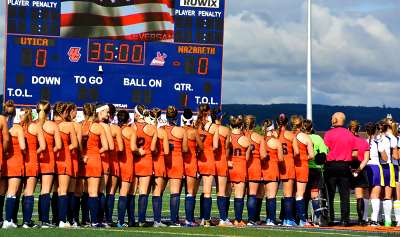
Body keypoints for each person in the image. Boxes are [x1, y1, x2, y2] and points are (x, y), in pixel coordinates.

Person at [324, 112, 357, 226]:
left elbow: (325, 150)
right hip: (344, 165)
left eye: (332, 118)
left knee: (330, 194)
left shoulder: (328, 134)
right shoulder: (349, 134)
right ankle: (345, 220)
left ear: (335, 120)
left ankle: (329, 218)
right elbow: (355, 153)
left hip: (331, 165)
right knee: (344, 195)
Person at [81, 103, 109, 228]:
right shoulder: (98, 127)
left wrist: (82, 155)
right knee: (94, 192)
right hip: (94, 160)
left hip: (82, 160)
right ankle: (94, 221)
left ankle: (83, 219)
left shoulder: (80, 125)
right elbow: (106, 146)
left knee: (83, 192)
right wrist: (96, 152)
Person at [53, 102, 78, 228]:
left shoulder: (48, 124)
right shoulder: (68, 125)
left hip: (52, 159)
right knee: (63, 191)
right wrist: (64, 149)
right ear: (64, 113)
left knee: (53, 190)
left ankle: (53, 219)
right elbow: (75, 144)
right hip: (64, 159)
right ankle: (63, 220)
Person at [132, 105, 157, 227]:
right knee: (143, 192)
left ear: (137, 114)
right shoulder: (152, 128)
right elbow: (153, 148)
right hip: (146, 160)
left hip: (134, 161)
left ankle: (131, 219)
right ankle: (141, 219)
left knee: (131, 192)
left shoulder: (131, 127)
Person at [21, 108, 46, 228]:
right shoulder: (35, 127)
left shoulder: (19, 127)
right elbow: (43, 146)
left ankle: (12, 220)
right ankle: (27, 221)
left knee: (17, 191)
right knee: (29, 191)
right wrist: (34, 153)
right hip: (32, 161)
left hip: (21, 160)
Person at [2, 109, 26, 229]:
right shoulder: (17, 128)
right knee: (12, 192)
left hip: (3, 160)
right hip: (15, 161)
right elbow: (22, 146)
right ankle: (8, 220)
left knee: (1, 192)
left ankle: (2, 220)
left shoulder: (2, 125)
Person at [164, 105, 187, 227]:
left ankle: (157, 219)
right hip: (177, 161)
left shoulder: (161, 129)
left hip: (163, 161)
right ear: (176, 117)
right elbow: (185, 149)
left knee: (158, 192)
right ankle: (174, 220)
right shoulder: (182, 131)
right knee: (175, 192)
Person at [227, 115, 251, 227]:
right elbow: (247, 158)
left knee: (226, 194)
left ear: (230, 125)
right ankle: (238, 220)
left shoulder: (228, 137)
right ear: (241, 125)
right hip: (240, 167)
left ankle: (225, 218)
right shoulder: (245, 139)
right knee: (239, 195)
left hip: (228, 166)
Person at [303, 119, 328, 225]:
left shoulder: (300, 137)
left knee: (302, 195)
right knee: (314, 195)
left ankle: (303, 218)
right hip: (316, 170)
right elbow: (324, 153)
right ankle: (317, 218)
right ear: (311, 127)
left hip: (303, 168)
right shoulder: (317, 138)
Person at [196, 104, 218, 227]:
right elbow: (215, 146)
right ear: (209, 111)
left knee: (192, 192)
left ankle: (192, 219)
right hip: (208, 157)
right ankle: (206, 220)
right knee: (207, 192)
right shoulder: (213, 126)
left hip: (197, 158)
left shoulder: (196, 125)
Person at [364, 122, 388, 226]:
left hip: (365, 168)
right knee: (375, 195)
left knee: (365, 195)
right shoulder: (379, 143)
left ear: (366, 131)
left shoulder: (363, 142)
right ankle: (374, 220)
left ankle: (364, 219)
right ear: (376, 131)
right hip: (375, 168)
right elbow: (385, 158)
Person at [243, 115, 266, 226]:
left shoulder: (240, 135)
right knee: (253, 194)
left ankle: (238, 218)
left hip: (241, 165)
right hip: (255, 165)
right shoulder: (258, 137)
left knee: (239, 194)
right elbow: (263, 155)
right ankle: (252, 219)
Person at [181, 108, 202, 227]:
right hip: (191, 162)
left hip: (180, 162)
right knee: (190, 192)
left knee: (176, 192)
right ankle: (189, 219)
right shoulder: (193, 132)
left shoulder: (179, 130)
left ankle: (176, 218)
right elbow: (202, 147)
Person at [348, 120, 370, 226]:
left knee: (344, 195)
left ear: (349, 128)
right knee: (359, 196)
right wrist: (358, 170)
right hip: (360, 169)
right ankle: (361, 220)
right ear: (358, 129)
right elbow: (366, 159)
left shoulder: (347, 140)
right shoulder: (364, 142)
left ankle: (344, 218)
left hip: (347, 168)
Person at [262, 119, 284, 226]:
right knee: (271, 196)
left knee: (266, 196)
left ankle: (267, 218)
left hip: (262, 170)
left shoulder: (261, 139)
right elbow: (280, 159)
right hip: (273, 169)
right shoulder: (276, 142)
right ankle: (271, 219)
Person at [275, 114, 296, 226]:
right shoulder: (290, 135)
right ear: (287, 123)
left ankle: (270, 219)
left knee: (271, 194)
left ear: (277, 123)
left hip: (275, 164)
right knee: (288, 194)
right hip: (288, 164)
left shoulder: (273, 134)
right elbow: (296, 152)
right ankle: (287, 219)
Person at [116, 110, 135, 228]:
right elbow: (133, 148)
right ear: (128, 119)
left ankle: (109, 219)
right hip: (127, 162)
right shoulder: (130, 131)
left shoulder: (115, 129)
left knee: (112, 192)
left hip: (117, 162)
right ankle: (121, 221)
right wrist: (140, 151)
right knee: (124, 193)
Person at [213, 108, 231, 226]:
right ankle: (223, 218)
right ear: (220, 117)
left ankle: (205, 218)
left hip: (209, 160)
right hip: (221, 160)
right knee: (221, 191)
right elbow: (227, 148)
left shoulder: (208, 128)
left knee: (206, 191)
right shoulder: (225, 130)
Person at [105, 104, 123, 226]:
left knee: (98, 191)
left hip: (103, 161)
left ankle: (95, 218)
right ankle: (108, 218)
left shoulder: (96, 126)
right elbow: (121, 148)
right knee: (111, 192)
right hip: (114, 161)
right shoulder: (115, 128)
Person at [151, 108, 169, 227]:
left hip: (146, 161)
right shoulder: (162, 131)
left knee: (143, 192)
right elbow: (167, 151)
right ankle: (157, 220)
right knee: (157, 192)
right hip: (159, 162)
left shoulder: (146, 129)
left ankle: (140, 219)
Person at [377, 121, 396, 227]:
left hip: (377, 167)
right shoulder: (391, 138)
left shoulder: (376, 137)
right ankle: (387, 220)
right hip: (387, 167)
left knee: (378, 194)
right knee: (387, 195)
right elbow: (393, 157)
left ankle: (378, 219)